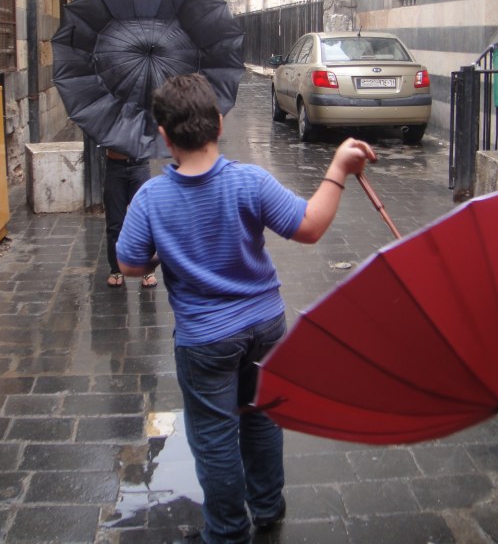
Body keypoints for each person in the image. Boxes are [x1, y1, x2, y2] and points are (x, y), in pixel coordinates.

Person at [116, 73, 377, 544]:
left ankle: (227, 531)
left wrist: (165, 250)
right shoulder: (250, 182)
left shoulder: (150, 199)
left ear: (164, 135)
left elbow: (130, 264)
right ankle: (268, 506)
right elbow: (310, 226)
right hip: (264, 326)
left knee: (214, 436)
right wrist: (337, 167)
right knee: (261, 416)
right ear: (219, 122)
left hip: (204, 341)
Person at [103, 148, 155, 287]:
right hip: (115, 165)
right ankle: (116, 270)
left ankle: (147, 269)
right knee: (115, 222)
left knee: (144, 222)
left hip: (139, 164)